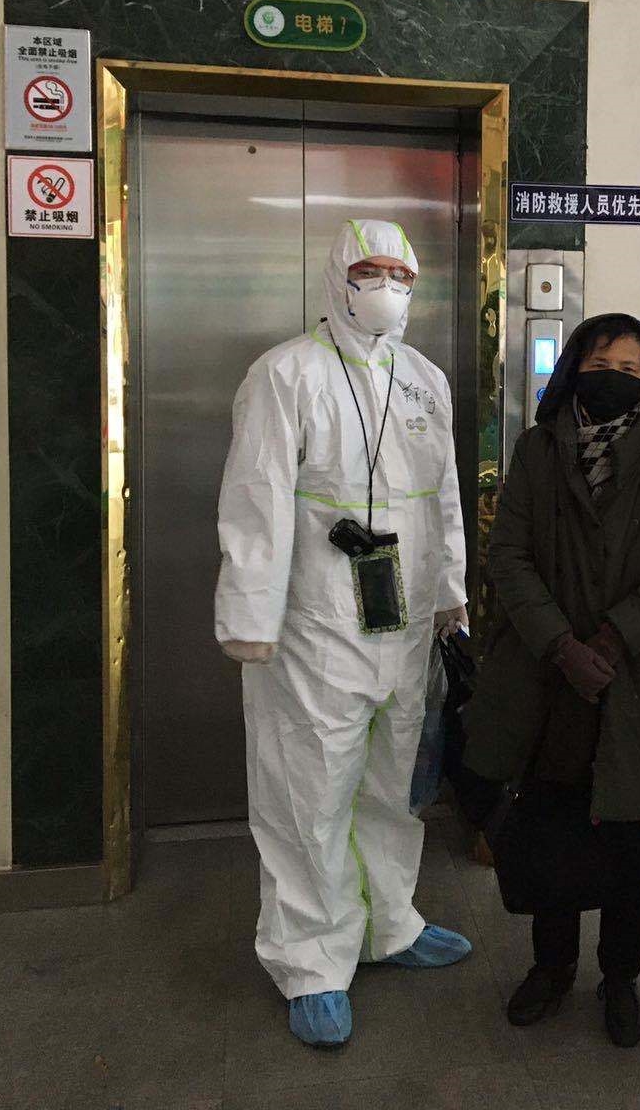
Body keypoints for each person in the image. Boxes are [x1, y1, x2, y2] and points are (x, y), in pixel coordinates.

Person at [215, 218, 472, 1049]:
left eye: (401, 273)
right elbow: (255, 496)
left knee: (395, 785)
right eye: (370, 270)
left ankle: (390, 924)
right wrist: (250, 615)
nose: (386, 286)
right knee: (308, 792)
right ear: (338, 278)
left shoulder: (425, 380)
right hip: (312, 627)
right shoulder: (286, 374)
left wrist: (452, 594)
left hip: (404, 620)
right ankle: (311, 961)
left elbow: (444, 497)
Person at [462, 314, 640, 1048]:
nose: (613, 379)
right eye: (601, 365)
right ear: (574, 368)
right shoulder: (538, 450)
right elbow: (508, 555)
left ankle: (621, 978)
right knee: (551, 824)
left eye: (630, 370)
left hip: (633, 677)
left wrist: (612, 638)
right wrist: (562, 645)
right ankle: (552, 967)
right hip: (547, 675)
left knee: (624, 829)